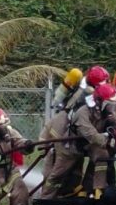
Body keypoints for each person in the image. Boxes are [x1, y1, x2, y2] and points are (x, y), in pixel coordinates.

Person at [38, 66, 110, 197]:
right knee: (57, 173)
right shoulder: (85, 99)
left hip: (71, 135)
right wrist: (106, 137)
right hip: (65, 138)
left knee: (75, 172)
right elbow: (89, 131)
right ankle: (45, 201)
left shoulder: (85, 91)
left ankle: (76, 192)